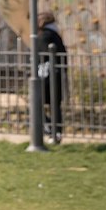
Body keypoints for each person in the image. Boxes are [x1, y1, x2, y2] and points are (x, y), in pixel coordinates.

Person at [35, 11, 68, 145]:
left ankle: (51, 130)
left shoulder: (45, 36)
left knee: (38, 103)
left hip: (47, 75)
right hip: (55, 74)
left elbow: (41, 54)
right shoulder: (54, 35)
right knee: (55, 105)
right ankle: (56, 131)